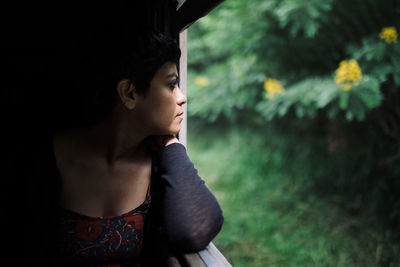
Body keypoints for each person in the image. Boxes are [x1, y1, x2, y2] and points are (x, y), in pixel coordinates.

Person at [5, 18, 223, 266]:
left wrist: (172, 146)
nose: (182, 98)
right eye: (172, 85)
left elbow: (194, 230)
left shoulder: (158, 165)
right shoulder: (44, 160)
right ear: (129, 93)